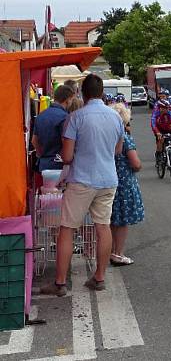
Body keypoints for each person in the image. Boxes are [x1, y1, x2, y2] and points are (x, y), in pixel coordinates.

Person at [40, 74, 125, 296]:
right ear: (101, 91)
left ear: (82, 93)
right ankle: (99, 277)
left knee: (67, 229)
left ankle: (59, 283)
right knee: (102, 227)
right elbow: (117, 150)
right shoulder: (115, 117)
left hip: (82, 180)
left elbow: (67, 156)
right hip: (108, 180)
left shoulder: (75, 118)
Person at [109, 103, 144, 266]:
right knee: (122, 221)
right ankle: (118, 253)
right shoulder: (125, 138)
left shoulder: (107, 136)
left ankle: (109, 251)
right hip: (124, 183)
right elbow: (135, 163)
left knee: (110, 220)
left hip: (108, 180)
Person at [32, 84, 76, 174]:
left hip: (43, 165)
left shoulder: (41, 115)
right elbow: (66, 142)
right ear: (67, 100)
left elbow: (34, 141)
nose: (71, 102)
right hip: (59, 166)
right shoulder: (65, 118)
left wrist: (43, 155)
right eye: (71, 99)